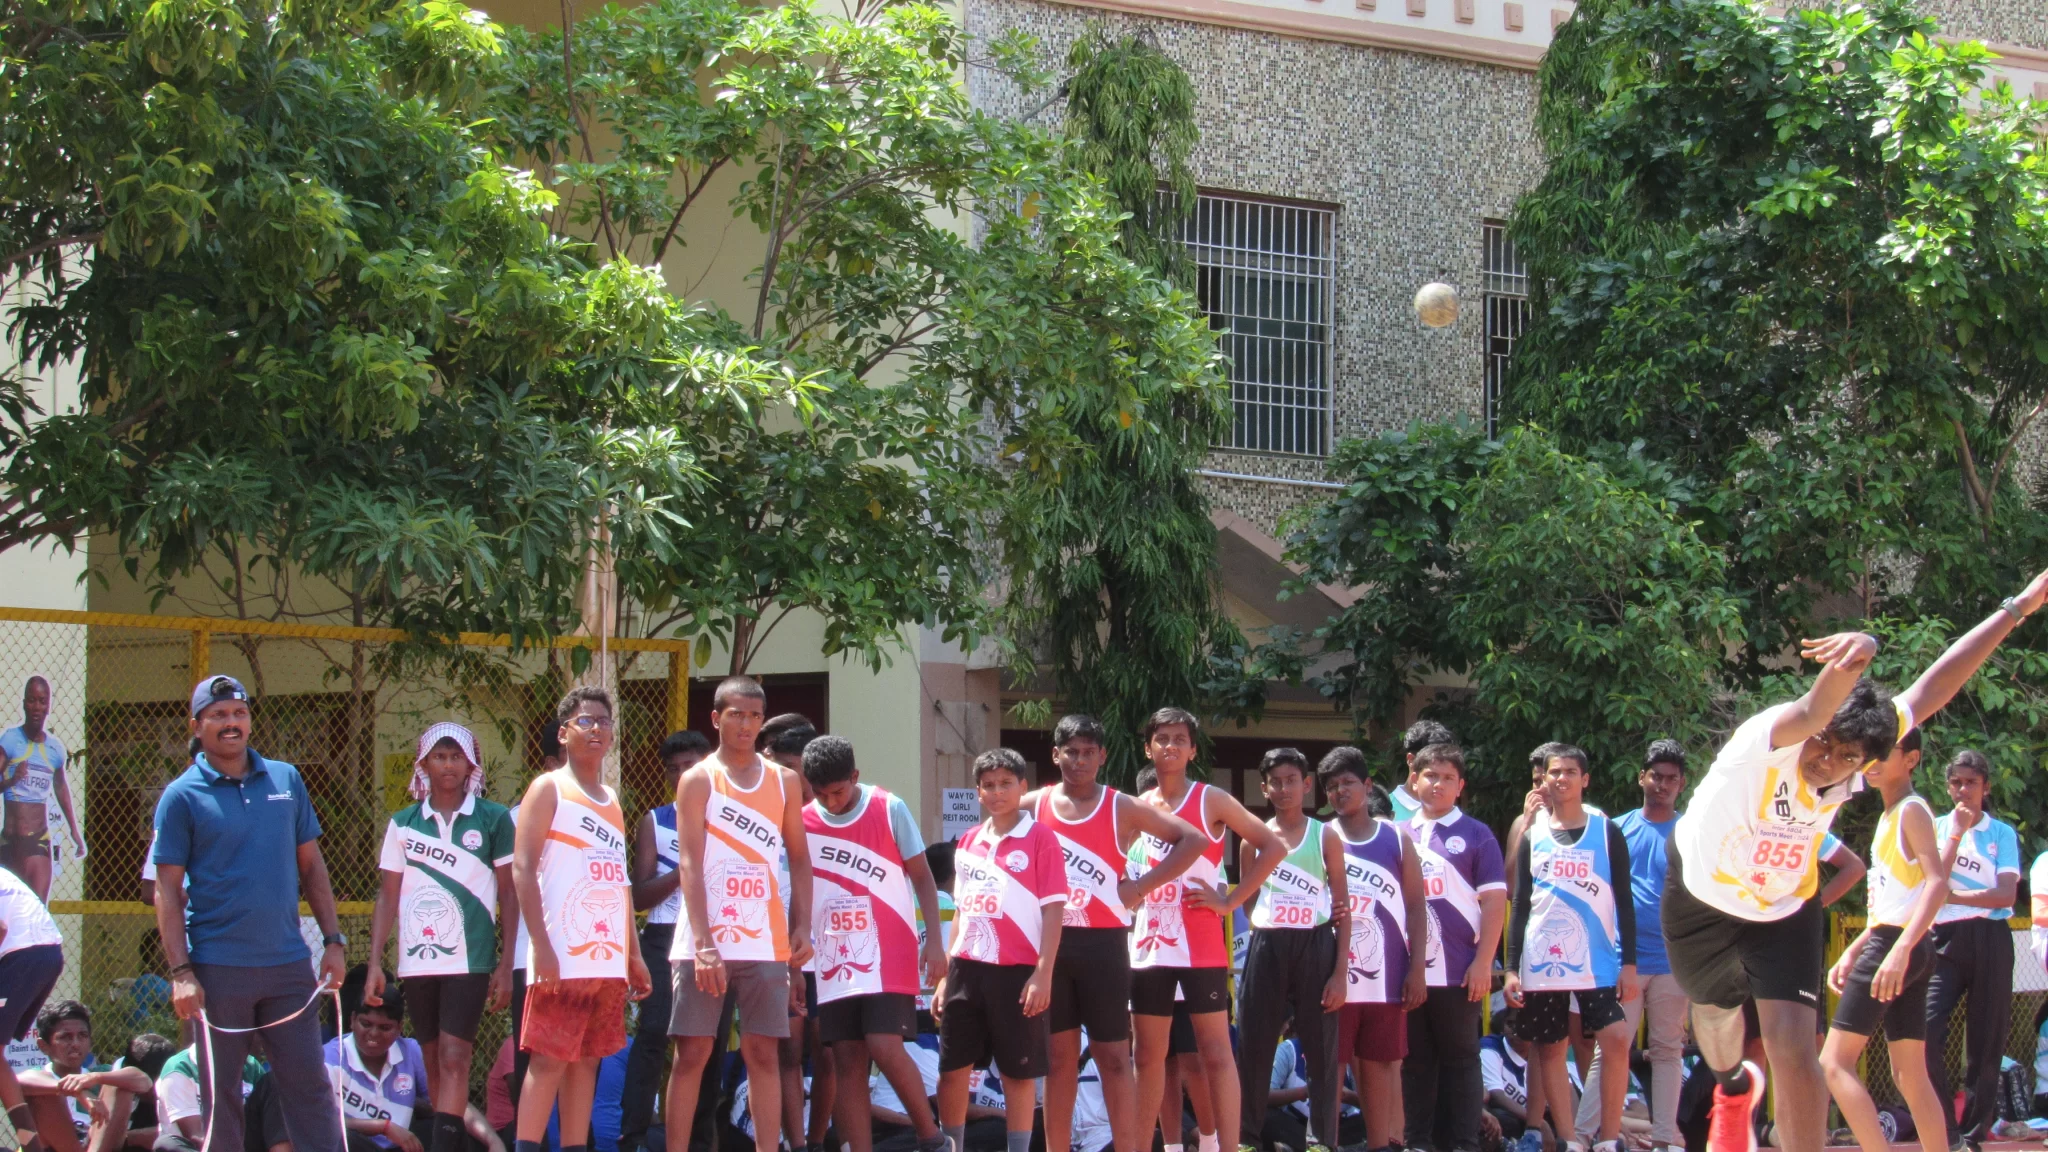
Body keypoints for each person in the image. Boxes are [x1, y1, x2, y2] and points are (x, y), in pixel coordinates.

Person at [1669, 569, 2048, 1152]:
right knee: (1713, 1015)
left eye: (1844, 757)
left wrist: (2017, 608)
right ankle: (1732, 1088)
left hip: (1785, 907)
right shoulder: (1773, 737)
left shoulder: (1870, 749)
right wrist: (1862, 649)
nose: (1824, 760)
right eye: (1824, 743)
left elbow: (1937, 685)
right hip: (1702, 899)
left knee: (1797, 1050)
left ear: (1866, 764)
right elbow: (1816, 707)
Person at [151, 673, 347, 1152]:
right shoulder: (180, 796)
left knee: (310, 1090)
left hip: (288, 968)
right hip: (218, 971)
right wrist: (181, 973)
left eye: (239, 713)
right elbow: (166, 890)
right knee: (222, 1101)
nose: (231, 723)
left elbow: (311, 866)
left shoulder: (286, 779)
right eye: (218, 715)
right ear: (196, 726)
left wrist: (333, 941)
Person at [1025, 714, 1204, 1152]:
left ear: (1103, 756)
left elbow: (1193, 840)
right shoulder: (1034, 804)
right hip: (1051, 947)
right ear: (1055, 755)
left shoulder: (1120, 805)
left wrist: (1140, 888)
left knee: (1114, 1059)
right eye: (1071, 752)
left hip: (1104, 945)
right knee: (1060, 1062)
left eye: (1089, 752)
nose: (1080, 761)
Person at [665, 677, 814, 1152]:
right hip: (703, 944)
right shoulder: (698, 779)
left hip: (765, 942)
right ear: (716, 719)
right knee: (693, 1053)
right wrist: (704, 944)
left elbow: (799, 859)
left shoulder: (785, 782)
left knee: (764, 1053)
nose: (745, 725)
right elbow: (689, 863)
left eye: (754, 716)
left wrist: (802, 926)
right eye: (736, 715)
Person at [1127, 709, 1284, 1152]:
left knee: (1215, 1053)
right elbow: (1116, 863)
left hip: (1200, 945)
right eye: (1162, 738)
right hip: (1149, 946)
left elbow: (1272, 846)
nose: (1170, 746)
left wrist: (1231, 902)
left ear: (1193, 750)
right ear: (1148, 748)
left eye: (1180, 739)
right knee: (1148, 1056)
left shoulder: (1210, 799)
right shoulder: (1135, 806)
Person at [510, 686, 654, 1152]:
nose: (596, 729)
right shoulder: (548, 788)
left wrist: (633, 954)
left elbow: (619, 880)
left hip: (606, 957)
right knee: (549, 1060)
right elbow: (522, 869)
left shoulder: (611, 798)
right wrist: (541, 946)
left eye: (604, 721)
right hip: (561, 954)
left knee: (587, 1060)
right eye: (586, 721)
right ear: (563, 732)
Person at [365, 722, 518, 1152]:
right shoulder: (403, 824)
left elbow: (509, 892)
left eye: (456, 757)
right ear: (424, 764)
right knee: (432, 1059)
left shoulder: (494, 819)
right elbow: (387, 895)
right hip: (417, 962)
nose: (448, 765)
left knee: (454, 1056)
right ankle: (449, 1141)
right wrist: (375, 962)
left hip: (470, 960)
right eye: (439, 756)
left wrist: (506, 963)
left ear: (470, 765)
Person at [799, 734, 950, 1152]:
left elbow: (923, 877)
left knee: (884, 1044)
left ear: (855, 776)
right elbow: (800, 894)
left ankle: (932, 1138)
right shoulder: (802, 822)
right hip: (834, 956)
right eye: (821, 794)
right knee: (846, 1058)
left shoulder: (889, 807)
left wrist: (935, 943)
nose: (830, 802)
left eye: (838, 792)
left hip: (888, 951)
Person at [1818, 725, 1951, 1152]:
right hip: (1900, 944)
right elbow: (1893, 903)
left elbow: (1937, 884)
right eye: (1869, 750)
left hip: (1901, 947)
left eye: (1884, 751)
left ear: (1911, 759)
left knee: (1833, 1063)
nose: (1871, 760)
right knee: (1909, 1075)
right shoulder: (1890, 815)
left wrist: (1899, 950)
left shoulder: (1911, 811)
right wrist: (1853, 951)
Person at [1504, 745, 1636, 1152]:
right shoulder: (1533, 835)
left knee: (1615, 1039)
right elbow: (1520, 905)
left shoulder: (1606, 832)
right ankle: (1570, 1140)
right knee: (1551, 1047)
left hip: (1596, 960)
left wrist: (1629, 963)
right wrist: (1511, 968)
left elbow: (1625, 900)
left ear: (1585, 779)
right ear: (1543, 779)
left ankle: (1608, 1138)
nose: (1561, 778)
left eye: (1570, 772)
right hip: (1542, 960)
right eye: (1554, 772)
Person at [934, 748, 1066, 1152]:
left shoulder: (1042, 838)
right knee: (952, 1070)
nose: (997, 792)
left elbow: (1054, 910)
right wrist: (945, 977)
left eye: (1006, 783)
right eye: (988, 785)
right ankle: (950, 1146)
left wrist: (1043, 972)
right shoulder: (969, 840)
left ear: (1023, 786)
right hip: (966, 969)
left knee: (1017, 1074)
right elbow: (962, 910)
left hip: (1018, 971)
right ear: (978, 792)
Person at [1234, 748, 1347, 1152]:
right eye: (1276, 782)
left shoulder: (1324, 835)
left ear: (1306, 784)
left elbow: (1342, 907)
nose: (1284, 789)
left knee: (1321, 1048)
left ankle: (1321, 1141)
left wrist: (1339, 973)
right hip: (1267, 944)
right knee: (1254, 1044)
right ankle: (1247, 1139)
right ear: (1264, 788)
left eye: (1292, 780)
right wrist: (1272, 923)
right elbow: (1249, 901)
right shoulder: (1254, 839)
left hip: (1316, 943)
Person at [1576, 741, 1686, 1152]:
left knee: (1667, 1050)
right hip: (1624, 962)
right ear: (1641, 778)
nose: (1662, 785)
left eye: (1671, 778)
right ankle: (1582, 1137)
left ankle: (1664, 1141)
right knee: (1612, 1046)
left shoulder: (1691, 833)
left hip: (1674, 960)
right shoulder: (1616, 829)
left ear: (1682, 784)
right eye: (1656, 776)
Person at [1400, 742, 1507, 1152]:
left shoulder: (1478, 834)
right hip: (1409, 972)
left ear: (1460, 786)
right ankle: (1417, 1142)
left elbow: (1494, 901)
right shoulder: (1397, 833)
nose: (1438, 784)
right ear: (1415, 780)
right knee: (1415, 1061)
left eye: (1448, 778)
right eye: (1431, 775)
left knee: (1462, 1061)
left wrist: (1484, 963)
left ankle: (1463, 1144)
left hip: (1460, 970)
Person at [1324, 746, 1427, 1152]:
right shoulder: (1320, 837)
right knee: (1330, 1067)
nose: (1340, 791)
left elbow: (1416, 907)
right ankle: (1326, 1144)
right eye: (1332, 786)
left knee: (1381, 1065)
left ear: (1367, 786)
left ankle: (1380, 1144)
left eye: (1348, 782)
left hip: (1386, 977)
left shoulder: (1397, 839)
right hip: (1332, 978)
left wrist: (1417, 969)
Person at [1923, 748, 2022, 1151]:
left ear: (1986, 787)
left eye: (1972, 783)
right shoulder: (1934, 828)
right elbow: (1932, 880)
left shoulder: (2001, 834)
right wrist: (1956, 833)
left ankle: (1974, 1132)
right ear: (1948, 787)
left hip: (1990, 937)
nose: (1963, 790)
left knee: (1986, 1038)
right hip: (1943, 938)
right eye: (1956, 783)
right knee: (1926, 1029)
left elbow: (2005, 895)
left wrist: (1955, 897)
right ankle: (1945, 1129)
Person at [619, 729, 710, 1152]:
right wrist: (685, 867)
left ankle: (702, 1139)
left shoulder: (731, 820)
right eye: (673, 769)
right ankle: (634, 1136)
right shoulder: (656, 821)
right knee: (654, 1032)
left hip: (713, 938)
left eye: (690, 766)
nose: (681, 775)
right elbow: (639, 896)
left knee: (705, 1043)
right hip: (663, 934)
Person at [758, 715, 831, 1152]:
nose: (785, 776)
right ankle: (796, 1144)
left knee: (829, 1053)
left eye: (792, 767)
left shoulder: (830, 815)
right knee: (786, 1051)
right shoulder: (764, 816)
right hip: (778, 951)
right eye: (778, 766)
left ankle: (819, 1140)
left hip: (830, 952)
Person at [505, 721, 566, 1118]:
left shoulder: (605, 807)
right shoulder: (518, 817)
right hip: (531, 960)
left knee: (581, 1064)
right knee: (533, 1061)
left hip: (586, 961)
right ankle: (530, 1142)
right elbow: (517, 880)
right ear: (549, 763)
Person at [17, 1001, 152, 1152]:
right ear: (44, 1046)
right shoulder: (39, 1075)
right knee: (43, 1094)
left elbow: (144, 1081)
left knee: (119, 1084)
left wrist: (95, 1077)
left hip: (96, 1147)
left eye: (82, 1036)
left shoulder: (100, 1074)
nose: (75, 1044)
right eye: (65, 1037)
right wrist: (78, 1091)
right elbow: (18, 1082)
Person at [1, 677, 85, 903]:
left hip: (38, 840)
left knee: (36, 910)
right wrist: (12, 780)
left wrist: (74, 831)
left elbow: (61, 788)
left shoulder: (54, 749)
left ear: (48, 706)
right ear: (23, 704)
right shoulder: (10, 740)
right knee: (7, 914)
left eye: (41, 701)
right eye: (31, 700)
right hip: (10, 842)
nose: (36, 707)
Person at [0, 855, 64, 1152]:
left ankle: (32, 1145)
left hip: (25, 954)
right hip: (44, 953)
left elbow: (1, 929)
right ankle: (30, 1144)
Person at [325, 985, 432, 1152]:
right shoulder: (331, 1058)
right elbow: (313, 1120)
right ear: (352, 1020)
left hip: (397, 1147)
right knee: (340, 1137)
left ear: (399, 1027)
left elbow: (444, 1104)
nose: (374, 1033)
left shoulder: (411, 1052)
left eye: (385, 1027)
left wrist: (483, 1134)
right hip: (352, 1145)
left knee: (449, 1128)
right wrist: (382, 1127)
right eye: (366, 1024)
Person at [150, 1041, 267, 1152]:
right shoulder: (179, 1069)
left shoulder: (252, 1067)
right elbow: (197, 1136)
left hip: (243, 1145)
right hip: (202, 1148)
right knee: (167, 1143)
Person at [1386, 721, 1455, 824]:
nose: (1439, 783)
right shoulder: (1384, 809)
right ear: (1411, 760)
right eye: (1432, 762)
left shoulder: (1452, 813)